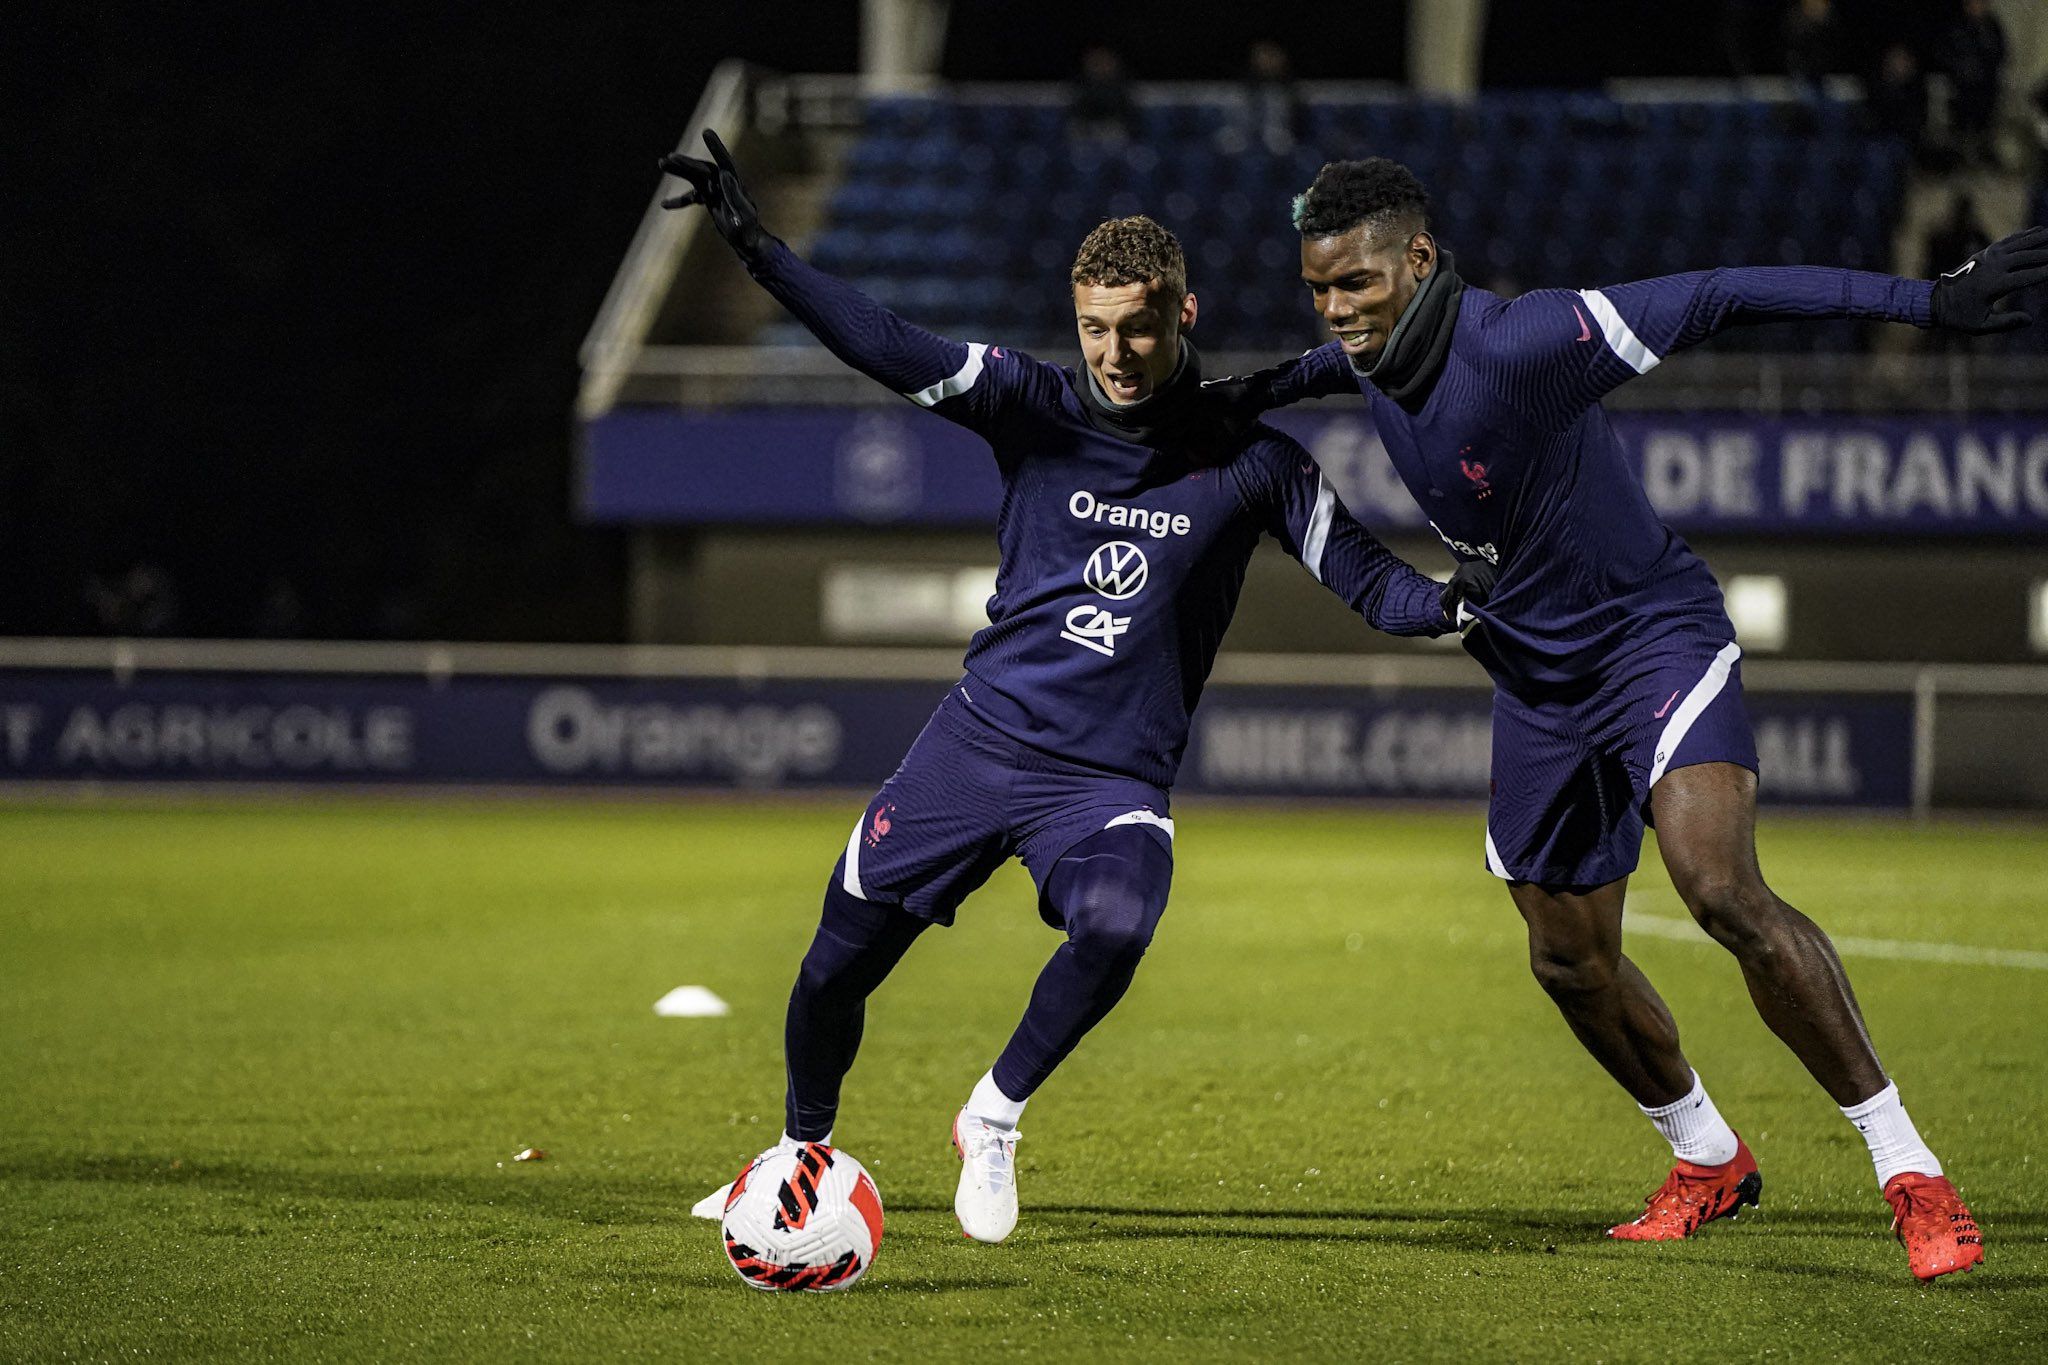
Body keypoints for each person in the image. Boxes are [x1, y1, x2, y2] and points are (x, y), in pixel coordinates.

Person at [1222, 157, 2044, 1280]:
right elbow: (1326, 363)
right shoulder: (1367, 350)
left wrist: (1927, 303)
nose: (1335, 310)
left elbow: (1717, 294)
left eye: (1355, 285)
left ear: (1416, 261)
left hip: (1649, 638)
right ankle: (1706, 1157)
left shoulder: (1521, 342)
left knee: (1717, 888)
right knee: (1564, 959)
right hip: (1533, 674)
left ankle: (1909, 1171)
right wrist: (1230, 394)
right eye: (1318, 289)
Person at [657, 133, 1483, 1244]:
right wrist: (760, 252)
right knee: (827, 973)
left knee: (1116, 921)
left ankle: (990, 1116)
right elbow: (887, 344)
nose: (1115, 351)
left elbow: (1372, 585)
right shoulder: (1029, 405)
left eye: (1137, 325)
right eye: (1095, 326)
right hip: (974, 745)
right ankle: (801, 1153)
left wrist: (1457, 602)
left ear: (1180, 315)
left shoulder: (1253, 460)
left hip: (1104, 778)